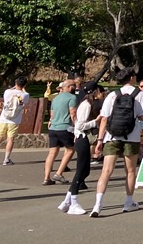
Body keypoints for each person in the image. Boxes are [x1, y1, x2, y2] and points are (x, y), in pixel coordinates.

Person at [89, 68, 143, 217]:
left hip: (112, 136)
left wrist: (100, 140)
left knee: (106, 171)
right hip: (131, 137)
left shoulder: (112, 95)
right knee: (130, 171)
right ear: (132, 78)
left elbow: (104, 118)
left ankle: (98, 204)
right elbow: (142, 117)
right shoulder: (139, 94)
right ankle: (128, 202)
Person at [57, 83, 104, 215]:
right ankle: (73, 201)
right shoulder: (86, 105)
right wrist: (96, 121)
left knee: (85, 171)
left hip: (83, 139)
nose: (102, 94)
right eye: (100, 91)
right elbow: (80, 125)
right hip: (81, 138)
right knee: (81, 170)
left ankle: (67, 200)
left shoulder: (89, 105)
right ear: (94, 92)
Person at [43, 80, 77, 185]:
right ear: (69, 87)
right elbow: (73, 113)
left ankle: (46, 177)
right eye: (73, 86)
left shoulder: (55, 98)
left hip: (53, 128)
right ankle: (59, 173)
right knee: (70, 150)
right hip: (65, 127)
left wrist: (51, 122)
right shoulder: (72, 98)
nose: (75, 87)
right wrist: (77, 126)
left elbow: (52, 114)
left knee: (52, 153)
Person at [0, 76, 29, 165]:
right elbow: (25, 95)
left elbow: (10, 90)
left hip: (3, 119)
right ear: (25, 85)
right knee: (10, 139)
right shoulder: (25, 95)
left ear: (16, 83)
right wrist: (23, 89)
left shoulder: (7, 92)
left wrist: (14, 87)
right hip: (14, 121)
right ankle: (6, 159)